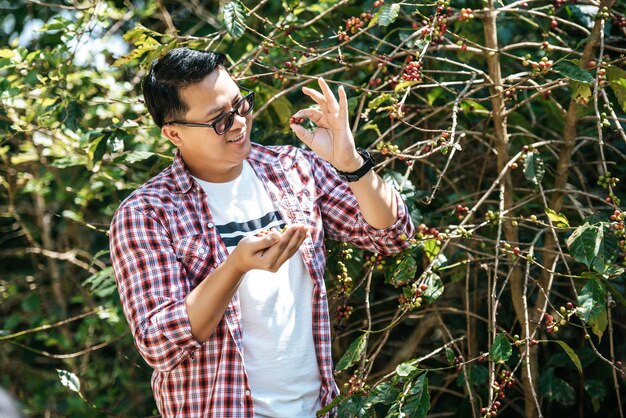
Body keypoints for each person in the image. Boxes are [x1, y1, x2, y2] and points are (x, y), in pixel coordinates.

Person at [109, 47, 415, 417]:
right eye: (219, 120)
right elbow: (159, 343)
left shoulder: (290, 168)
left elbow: (391, 235)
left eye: (241, 105)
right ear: (174, 133)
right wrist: (235, 267)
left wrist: (351, 163)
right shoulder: (147, 213)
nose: (238, 122)